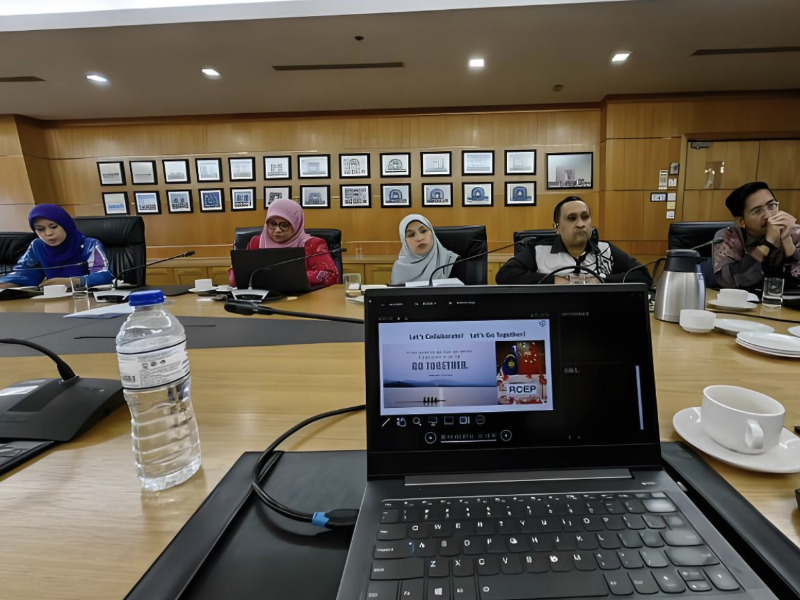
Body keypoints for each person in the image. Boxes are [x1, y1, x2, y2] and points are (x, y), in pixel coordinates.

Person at [495, 196, 652, 285]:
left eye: (585, 217)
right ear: (557, 227)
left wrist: (599, 279)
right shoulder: (537, 250)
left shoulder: (605, 249)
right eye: (572, 218)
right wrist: (556, 280)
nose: (580, 224)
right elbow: (505, 276)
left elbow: (643, 277)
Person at [228, 199, 338, 288]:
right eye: (272, 224)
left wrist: (290, 277)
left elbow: (331, 276)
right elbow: (236, 278)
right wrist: (236, 274)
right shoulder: (256, 242)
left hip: (303, 300)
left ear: (296, 224)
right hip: (263, 300)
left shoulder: (312, 244)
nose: (277, 230)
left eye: (284, 225)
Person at [0, 204, 113, 289]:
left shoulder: (89, 244)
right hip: (52, 298)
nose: (48, 233)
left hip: (85, 297)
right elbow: (24, 272)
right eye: (40, 229)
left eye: (53, 227)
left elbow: (104, 275)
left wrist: (71, 282)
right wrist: (8, 283)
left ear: (66, 224)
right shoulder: (37, 245)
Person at [713, 182, 800, 290]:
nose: (768, 215)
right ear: (741, 222)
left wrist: (787, 240)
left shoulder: (796, 233)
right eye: (758, 211)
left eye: (771, 206)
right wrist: (768, 243)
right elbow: (728, 281)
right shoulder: (729, 237)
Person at [390, 214, 458, 285]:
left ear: (432, 233)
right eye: (411, 235)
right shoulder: (399, 268)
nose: (419, 238)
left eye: (423, 231)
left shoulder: (453, 262)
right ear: (404, 242)